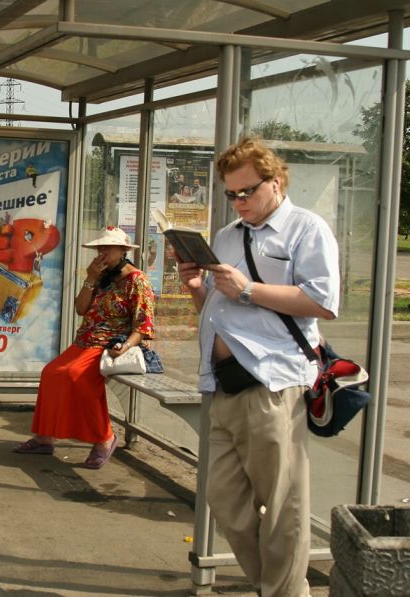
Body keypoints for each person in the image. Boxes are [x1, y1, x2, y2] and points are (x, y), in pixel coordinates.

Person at [176, 137, 339, 597]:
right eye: (231, 193)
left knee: (283, 503)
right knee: (224, 498)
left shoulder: (306, 229)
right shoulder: (227, 236)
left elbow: (323, 302)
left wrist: (248, 289)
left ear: (276, 181)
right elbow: (219, 309)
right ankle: (274, 584)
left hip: (272, 382)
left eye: (247, 191)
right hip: (223, 384)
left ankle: (285, 592)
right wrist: (195, 287)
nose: (239, 201)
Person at [14, 226, 156, 469]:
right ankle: (45, 437)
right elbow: (81, 308)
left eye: (107, 248)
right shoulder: (100, 275)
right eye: (99, 247)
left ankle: (105, 438)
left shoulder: (137, 280)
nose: (101, 252)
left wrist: (124, 345)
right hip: (84, 341)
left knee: (75, 376)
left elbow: (143, 327)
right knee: (50, 373)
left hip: (109, 345)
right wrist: (91, 278)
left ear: (122, 250)